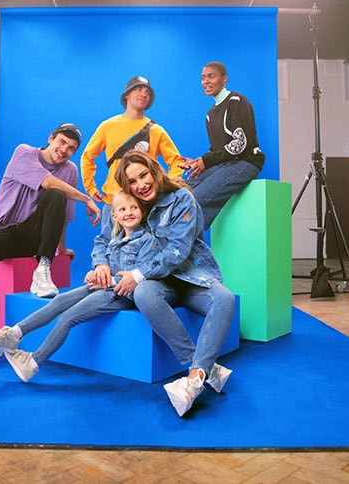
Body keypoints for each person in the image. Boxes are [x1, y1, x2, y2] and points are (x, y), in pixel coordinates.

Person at [93, 150, 235, 417]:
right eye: (132, 182)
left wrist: (137, 274)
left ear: (154, 171)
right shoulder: (128, 204)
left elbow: (177, 251)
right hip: (159, 283)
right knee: (144, 293)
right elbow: (103, 239)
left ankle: (194, 379)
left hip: (189, 277)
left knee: (224, 298)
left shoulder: (182, 198)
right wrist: (101, 263)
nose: (141, 185)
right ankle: (203, 368)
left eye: (143, 175)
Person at [0, 191, 158, 382]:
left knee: (68, 317)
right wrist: (96, 274)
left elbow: (137, 275)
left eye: (134, 208)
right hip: (105, 286)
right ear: (114, 216)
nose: (128, 213)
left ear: (142, 212)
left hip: (120, 294)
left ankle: (32, 363)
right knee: (60, 301)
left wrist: (108, 280)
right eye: (122, 209)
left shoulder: (148, 241)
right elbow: (107, 265)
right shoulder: (115, 239)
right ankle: (13, 334)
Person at [0, 123, 101, 366]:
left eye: (71, 148)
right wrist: (86, 199)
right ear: (51, 138)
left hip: (38, 237)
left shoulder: (70, 170)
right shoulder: (25, 153)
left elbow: (62, 215)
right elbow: (48, 182)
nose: (64, 150)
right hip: (8, 231)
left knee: (57, 195)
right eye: (61, 142)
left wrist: (61, 249)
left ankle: (43, 269)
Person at [81, 75, 183, 234]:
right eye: (139, 89)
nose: (144, 94)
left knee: (147, 248)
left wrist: (165, 186)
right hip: (114, 202)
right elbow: (87, 157)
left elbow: (176, 160)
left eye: (147, 92)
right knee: (108, 247)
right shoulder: (108, 126)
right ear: (127, 94)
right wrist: (91, 188)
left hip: (143, 204)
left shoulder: (156, 130)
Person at [179, 62, 265, 230]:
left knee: (196, 197)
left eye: (211, 77)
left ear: (224, 79)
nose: (206, 82)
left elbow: (240, 144)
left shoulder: (236, 101)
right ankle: (188, 240)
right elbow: (217, 151)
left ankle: (185, 240)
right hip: (226, 163)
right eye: (203, 78)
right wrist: (199, 163)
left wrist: (206, 160)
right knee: (182, 191)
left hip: (246, 162)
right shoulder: (210, 115)